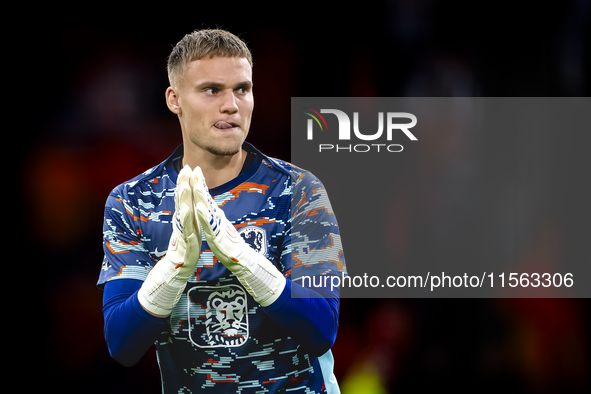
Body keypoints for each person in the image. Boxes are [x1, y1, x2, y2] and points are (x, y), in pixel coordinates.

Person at [98, 28, 347, 393]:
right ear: (174, 99)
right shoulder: (133, 200)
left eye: (242, 89)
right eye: (212, 90)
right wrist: (175, 265)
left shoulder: (298, 189)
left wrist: (241, 258)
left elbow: (321, 329)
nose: (231, 104)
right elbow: (121, 344)